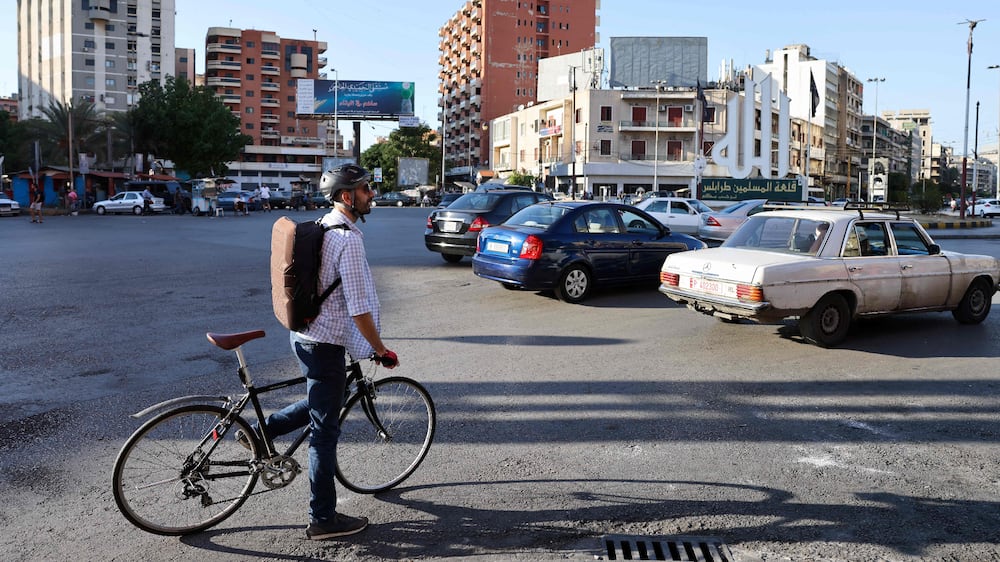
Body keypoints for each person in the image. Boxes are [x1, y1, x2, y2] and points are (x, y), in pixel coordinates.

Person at [243, 163, 398, 540]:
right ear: (348, 196)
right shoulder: (347, 240)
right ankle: (323, 519)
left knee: (325, 397)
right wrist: (380, 349)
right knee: (324, 433)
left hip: (303, 335)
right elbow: (359, 308)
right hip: (325, 342)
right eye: (365, 190)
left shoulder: (323, 226)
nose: (371, 194)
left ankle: (263, 430)